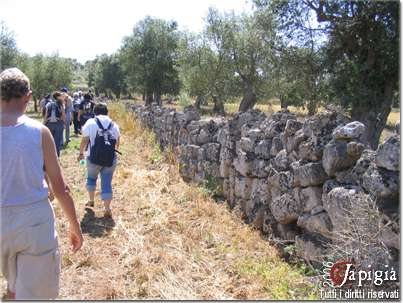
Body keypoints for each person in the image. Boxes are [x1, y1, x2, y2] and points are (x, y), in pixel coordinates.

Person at [0, 68, 83, 300]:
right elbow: (60, 188)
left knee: (12, 284)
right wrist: (75, 227)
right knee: (36, 295)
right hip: (33, 223)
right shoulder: (39, 132)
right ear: (28, 96)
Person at [78, 103, 120, 217]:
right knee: (106, 182)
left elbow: (85, 140)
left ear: (95, 112)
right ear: (107, 112)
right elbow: (117, 143)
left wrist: (81, 153)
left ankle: (91, 201)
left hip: (93, 158)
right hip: (110, 159)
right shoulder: (114, 125)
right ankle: (107, 208)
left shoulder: (91, 122)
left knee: (91, 178)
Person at [43, 92, 65, 157]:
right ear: (58, 97)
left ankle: (49, 156)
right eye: (60, 96)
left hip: (49, 124)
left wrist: (44, 124)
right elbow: (63, 115)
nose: (62, 97)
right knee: (57, 142)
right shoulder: (60, 104)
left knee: (49, 141)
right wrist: (64, 124)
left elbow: (46, 115)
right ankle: (56, 156)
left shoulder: (48, 104)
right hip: (58, 124)